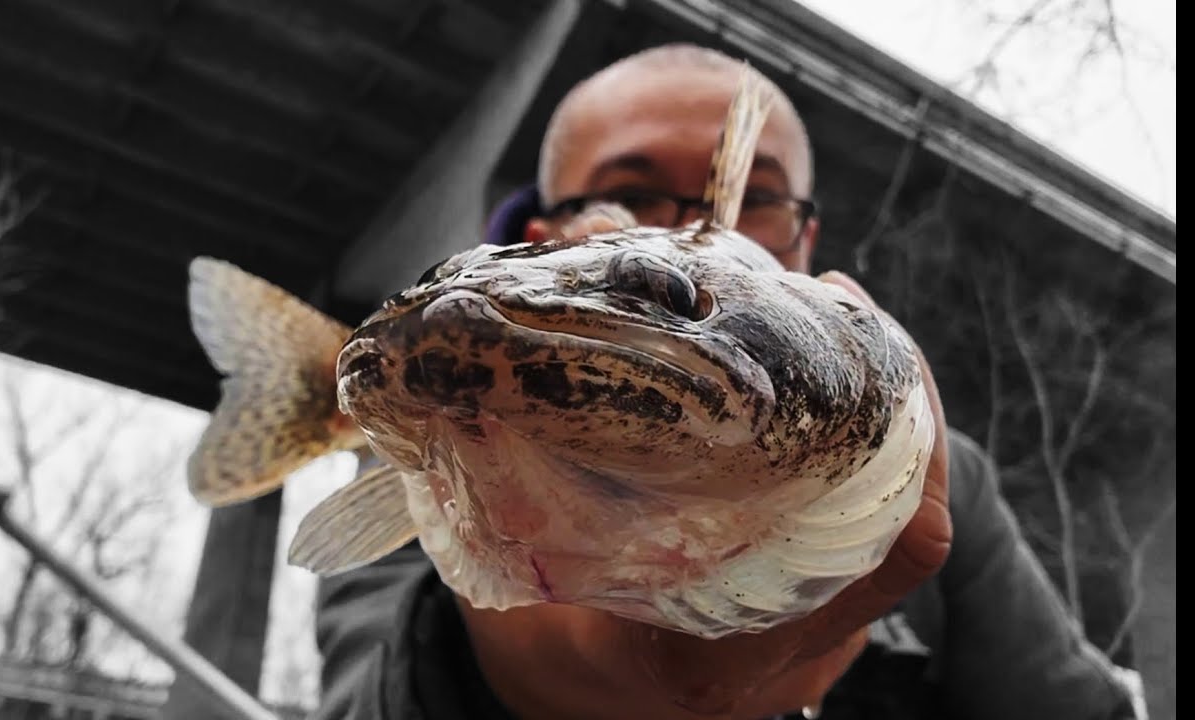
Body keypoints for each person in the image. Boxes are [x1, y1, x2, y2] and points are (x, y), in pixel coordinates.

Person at [312, 44, 1140, 720]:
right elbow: (361, 699)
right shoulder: (421, 451)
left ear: (807, 247)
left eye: (756, 202)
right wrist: (546, 674)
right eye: (630, 196)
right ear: (541, 236)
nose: (695, 228)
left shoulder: (955, 476)